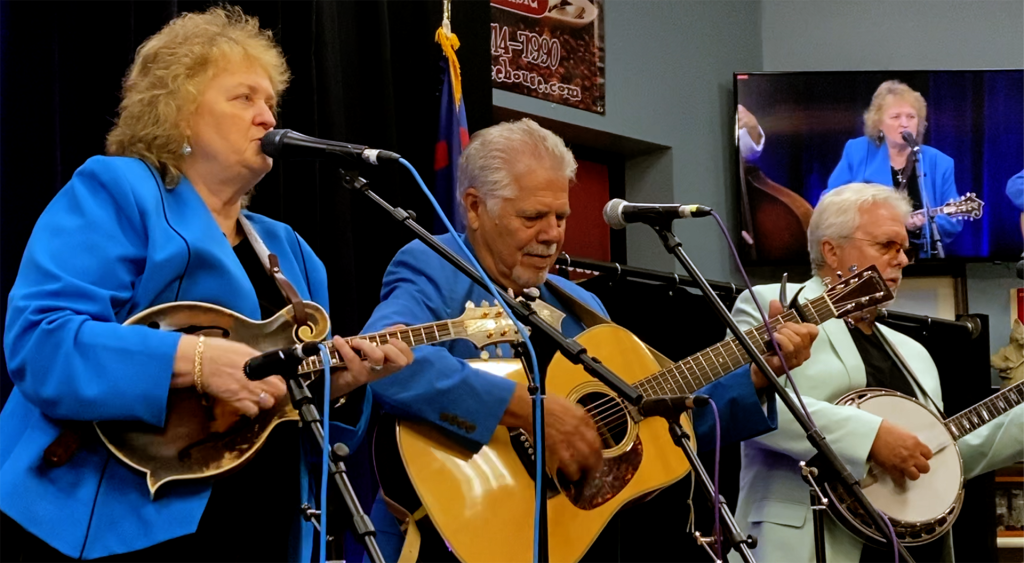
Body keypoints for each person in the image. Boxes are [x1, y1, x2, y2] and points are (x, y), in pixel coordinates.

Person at [0, 7, 412, 562]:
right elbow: (42, 341)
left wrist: (335, 384)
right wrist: (196, 357)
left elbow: (287, 416)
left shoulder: (293, 255)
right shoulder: (119, 191)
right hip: (113, 521)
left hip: (262, 524)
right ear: (179, 115)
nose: (267, 117)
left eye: (271, 102)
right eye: (244, 98)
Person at [362, 118, 818, 562]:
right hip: (453, 535)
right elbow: (385, 361)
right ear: (475, 207)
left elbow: (656, 426)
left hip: (565, 541)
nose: (552, 234)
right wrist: (525, 410)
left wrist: (756, 376)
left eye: (561, 216)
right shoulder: (433, 265)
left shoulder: (581, 305)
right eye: (532, 216)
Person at [731, 183, 1024, 562]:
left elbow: (935, 457)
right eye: (886, 246)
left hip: (912, 548)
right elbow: (755, 409)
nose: (902, 260)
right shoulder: (771, 306)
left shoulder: (913, 353)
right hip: (810, 543)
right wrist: (873, 437)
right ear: (831, 250)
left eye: (904, 249)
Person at [824, 80, 963, 254]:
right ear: (879, 123)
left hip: (919, 259)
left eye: (911, 117)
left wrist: (921, 227)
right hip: (866, 255)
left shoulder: (940, 162)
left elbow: (954, 219)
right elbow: (828, 202)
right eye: (896, 117)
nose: (904, 124)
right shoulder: (858, 151)